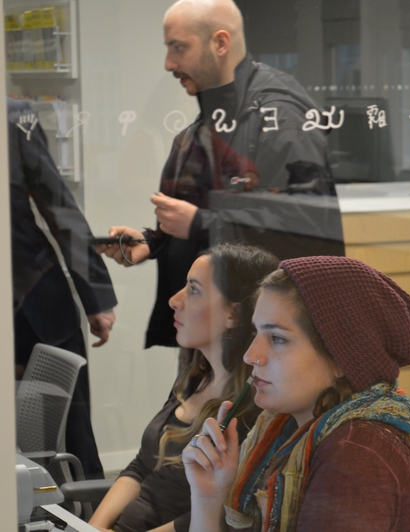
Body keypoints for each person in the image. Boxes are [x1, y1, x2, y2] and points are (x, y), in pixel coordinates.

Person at [99, 0, 343, 350]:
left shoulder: (279, 115)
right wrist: (153, 241)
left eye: (178, 47)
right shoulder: (211, 122)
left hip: (265, 338)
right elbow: (204, 209)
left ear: (220, 43)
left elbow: (307, 222)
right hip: (214, 332)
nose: (169, 64)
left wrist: (201, 223)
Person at [182, 256, 410, 532]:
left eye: (277, 338)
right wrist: (208, 498)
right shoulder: (287, 429)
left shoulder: (354, 453)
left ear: (342, 359)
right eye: (256, 332)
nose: (250, 355)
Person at [88, 244, 278, 532]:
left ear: (234, 315)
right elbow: (142, 466)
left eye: (194, 289)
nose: (175, 300)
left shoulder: (253, 411)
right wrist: (93, 528)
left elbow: (219, 516)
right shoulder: (195, 377)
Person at [8, 97, 117, 480]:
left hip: (37, 303)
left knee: (73, 442)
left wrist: (96, 297)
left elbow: (59, 207)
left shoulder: (12, 114)